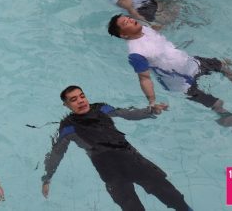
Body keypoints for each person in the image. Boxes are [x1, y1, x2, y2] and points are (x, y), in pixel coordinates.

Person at [107, 15, 232, 145]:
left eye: (128, 18)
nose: (130, 20)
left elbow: (160, 38)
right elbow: (144, 78)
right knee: (217, 105)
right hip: (182, 83)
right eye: (125, 23)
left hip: (192, 63)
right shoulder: (135, 53)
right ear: (123, 34)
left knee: (226, 65)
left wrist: (183, 23)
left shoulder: (145, 28)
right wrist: (152, 102)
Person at [41, 86, 191, 211]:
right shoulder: (68, 127)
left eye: (82, 96)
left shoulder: (101, 109)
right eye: (74, 99)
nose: (80, 101)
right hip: (109, 171)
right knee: (131, 207)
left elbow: (127, 113)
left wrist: (150, 111)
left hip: (132, 159)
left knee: (171, 194)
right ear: (66, 105)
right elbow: (56, 153)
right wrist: (47, 178)